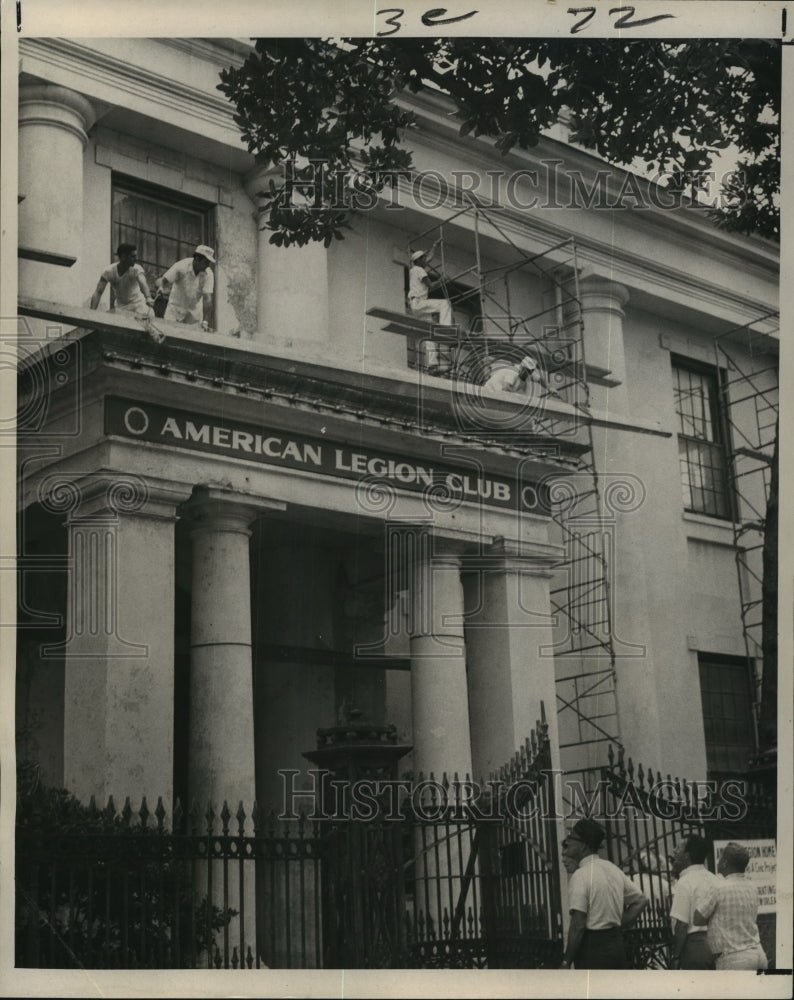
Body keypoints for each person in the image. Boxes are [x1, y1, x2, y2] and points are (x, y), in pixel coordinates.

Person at [560, 818, 649, 970]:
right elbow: (641, 900)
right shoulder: (612, 869)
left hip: (592, 950)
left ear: (583, 846)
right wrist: (619, 923)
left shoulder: (580, 875)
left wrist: (566, 961)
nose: (567, 844)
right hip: (616, 946)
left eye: (571, 839)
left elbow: (578, 925)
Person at [693, 842, 769, 971]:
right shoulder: (752, 887)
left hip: (734, 959)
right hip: (758, 953)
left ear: (725, 863)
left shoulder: (718, 887)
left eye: (720, 858)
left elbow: (697, 919)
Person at [669, 835, 721, 970]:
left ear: (687, 855)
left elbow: (681, 925)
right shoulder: (714, 879)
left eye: (678, 848)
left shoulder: (684, 882)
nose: (674, 851)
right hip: (717, 945)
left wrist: (676, 957)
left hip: (695, 947)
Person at [155, 245, 215, 330]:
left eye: (209, 263)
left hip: (194, 315)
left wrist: (205, 321)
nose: (207, 265)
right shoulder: (181, 266)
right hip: (174, 311)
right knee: (169, 335)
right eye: (206, 262)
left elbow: (208, 299)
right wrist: (160, 287)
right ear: (197, 258)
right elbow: (161, 281)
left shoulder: (209, 274)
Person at [90, 243, 154, 319]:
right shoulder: (109, 271)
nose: (135, 259)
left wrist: (148, 297)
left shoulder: (136, 269)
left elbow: (143, 283)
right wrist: (91, 313)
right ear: (123, 257)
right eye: (133, 256)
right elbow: (98, 292)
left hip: (138, 306)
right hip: (122, 309)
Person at [407, 248, 453, 326]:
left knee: (428, 326)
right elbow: (431, 285)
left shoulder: (413, 270)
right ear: (418, 261)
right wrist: (442, 280)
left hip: (415, 305)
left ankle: (434, 336)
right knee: (445, 303)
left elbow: (429, 258)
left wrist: (434, 247)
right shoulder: (419, 269)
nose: (426, 262)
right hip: (419, 302)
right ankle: (446, 328)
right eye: (424, 259)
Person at [482, 354, 553, 396]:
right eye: (527, 371)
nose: (529, 373)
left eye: (531, 371)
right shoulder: (513, 372)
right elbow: (506, 388)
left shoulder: (527, 373)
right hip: (490, 392)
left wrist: (550, 388)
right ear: (522, 367)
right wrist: (518, 397)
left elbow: (540, 379)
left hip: (500, 393)